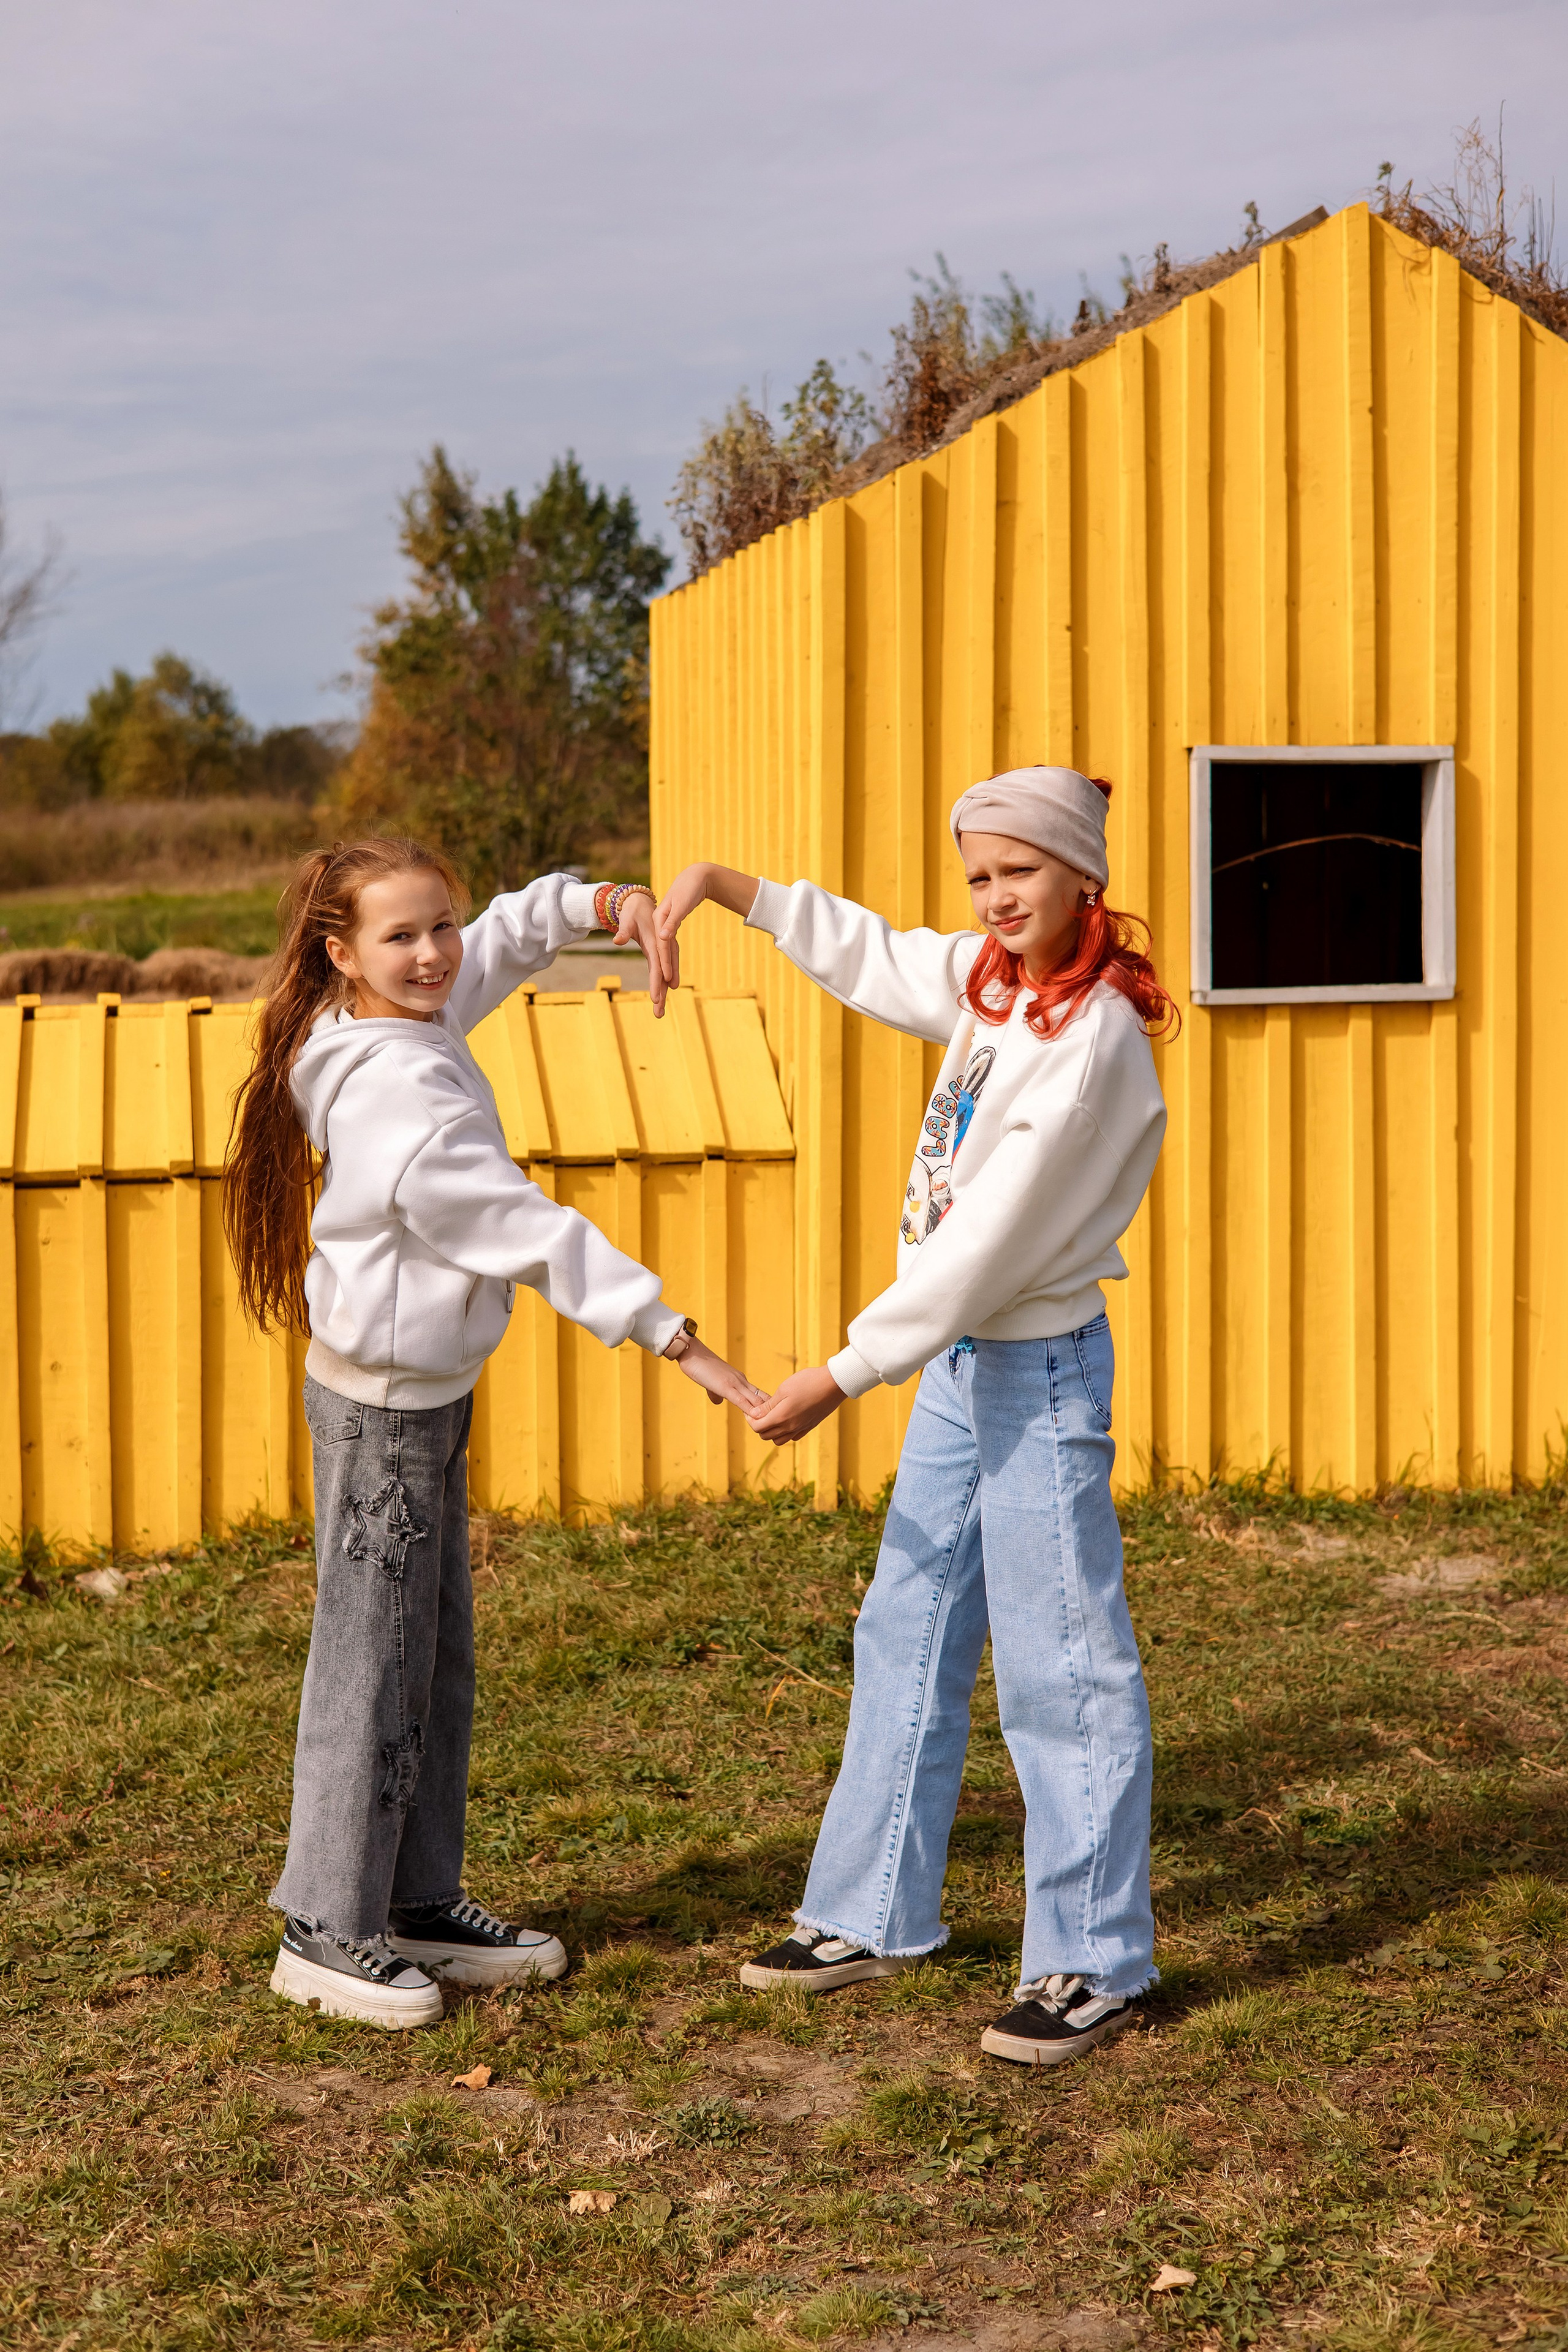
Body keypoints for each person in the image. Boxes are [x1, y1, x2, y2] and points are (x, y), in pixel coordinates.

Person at [656, 766, 1174, 2068]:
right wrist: (725, 888)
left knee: (1061, 1664)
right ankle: (871, 1911)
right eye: (979, 875)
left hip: (1034, 1368)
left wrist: (841, 1373)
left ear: (1084, 876)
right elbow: (877, 954)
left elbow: (987, 1244)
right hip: (956, 1367)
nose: (995, 897)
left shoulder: (1091, 1038)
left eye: (1021, 871)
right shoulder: (994, 985)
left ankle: (1093, 1960)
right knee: (909, 1623)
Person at [223, 839, 765, 2030]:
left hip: (419, 1396)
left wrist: (605, 903)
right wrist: (677, 1337)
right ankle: (326, 1928)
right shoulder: (395, 1092)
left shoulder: (399, 1014)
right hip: (384, 1412)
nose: (434, 955)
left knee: (429, 1657)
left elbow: (512, 932)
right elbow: (528, 1229)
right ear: (340, 953)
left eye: (441, 926)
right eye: (401, 936)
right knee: (373, 1662)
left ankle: (414, 1901)